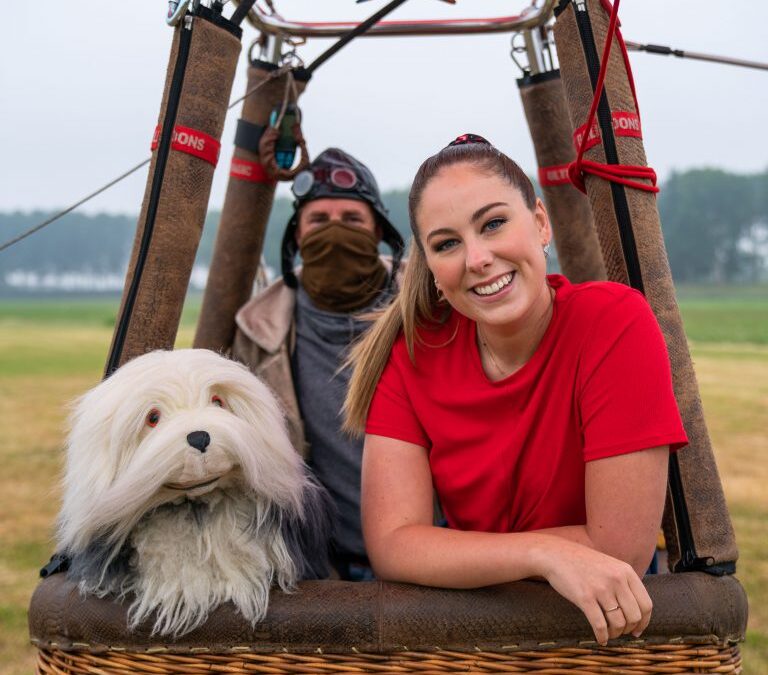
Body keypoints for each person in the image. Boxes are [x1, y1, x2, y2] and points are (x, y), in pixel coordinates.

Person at [343, 135, 688, 644]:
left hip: (600, 635)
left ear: (541, 223)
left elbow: (619, 551)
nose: (477, 258)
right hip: (477, 639)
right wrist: (543, 554)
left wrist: (457, 554)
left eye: (493, 224)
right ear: (432, 270)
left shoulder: (613, 322)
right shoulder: (413, 354)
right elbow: (393, 546)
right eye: (447, 244)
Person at [231, 148, 404, 581]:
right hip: (323, 571)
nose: (335, 232)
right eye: (319, 220)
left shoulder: (434, 309)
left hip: (439, 554)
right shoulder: (260, 331)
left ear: (378, 231)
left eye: (352, 220)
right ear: (297, 237)